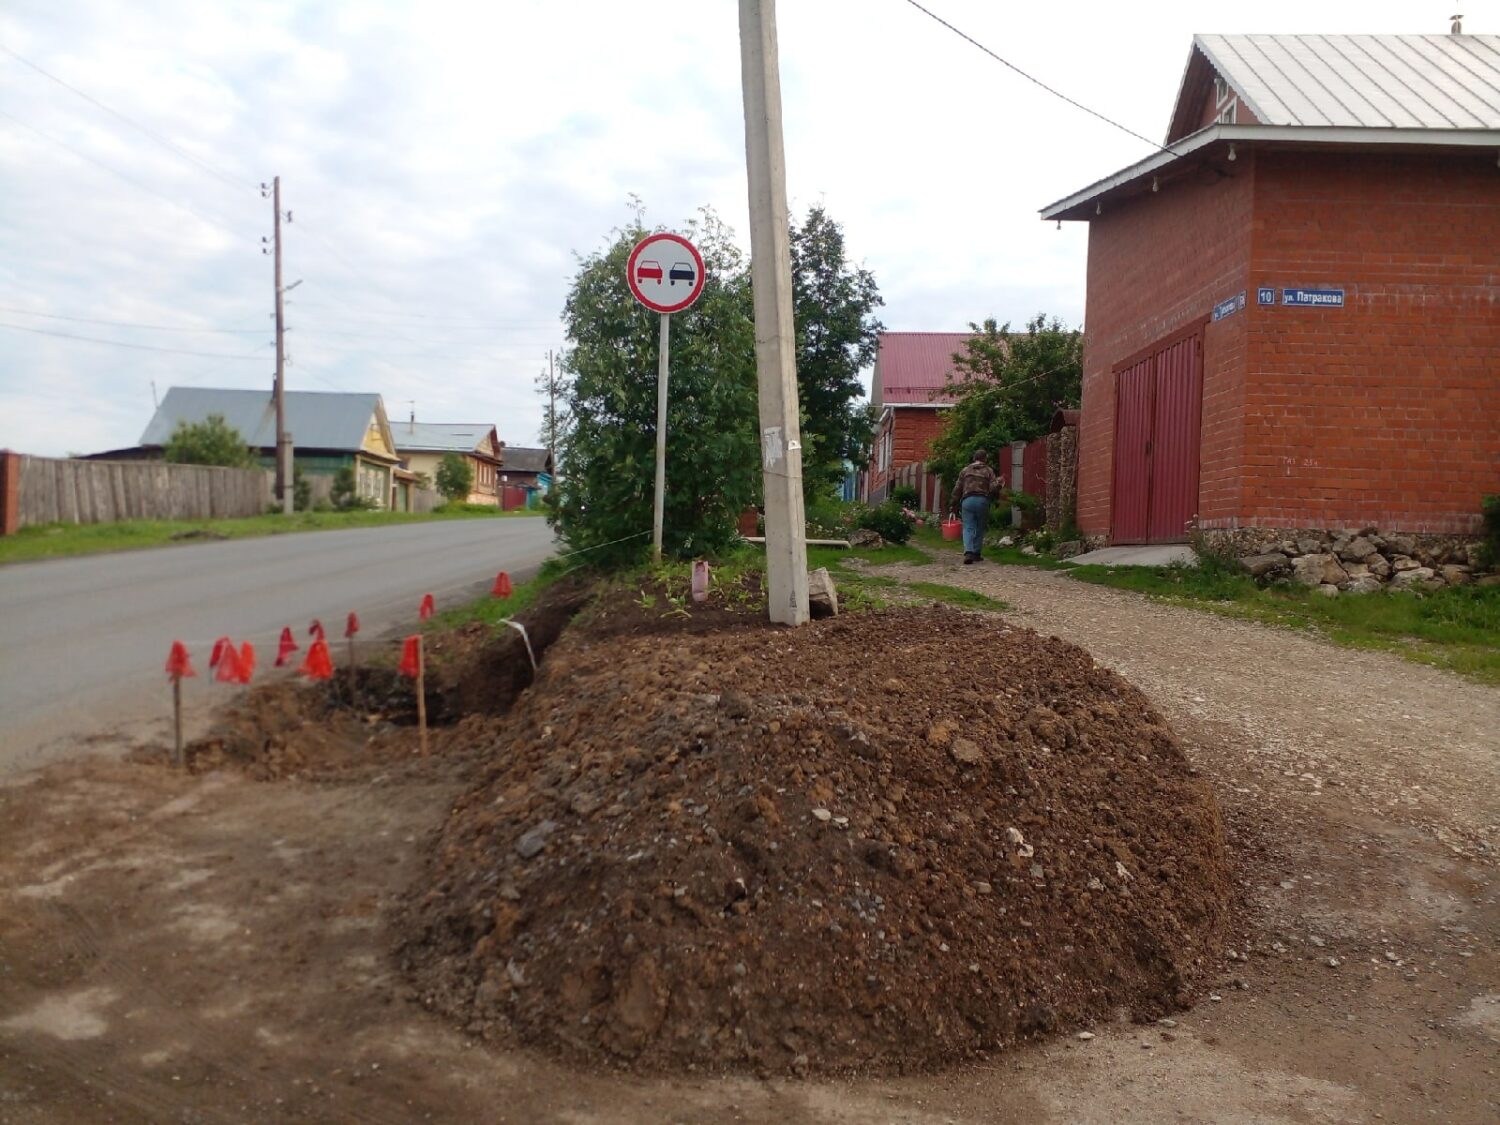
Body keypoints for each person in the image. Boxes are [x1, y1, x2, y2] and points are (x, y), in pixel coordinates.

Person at [949, 449, 998, 564]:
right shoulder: (988, 471)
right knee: (980, 526)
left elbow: (957, 488)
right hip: (982, 500)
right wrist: (999, 483)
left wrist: (953, 503)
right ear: (985, 458)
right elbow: (993, 488)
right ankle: (976, 553)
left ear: (974, 458)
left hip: (967, 500)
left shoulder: (965, 470)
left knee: (968, 526)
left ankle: (968, 552)